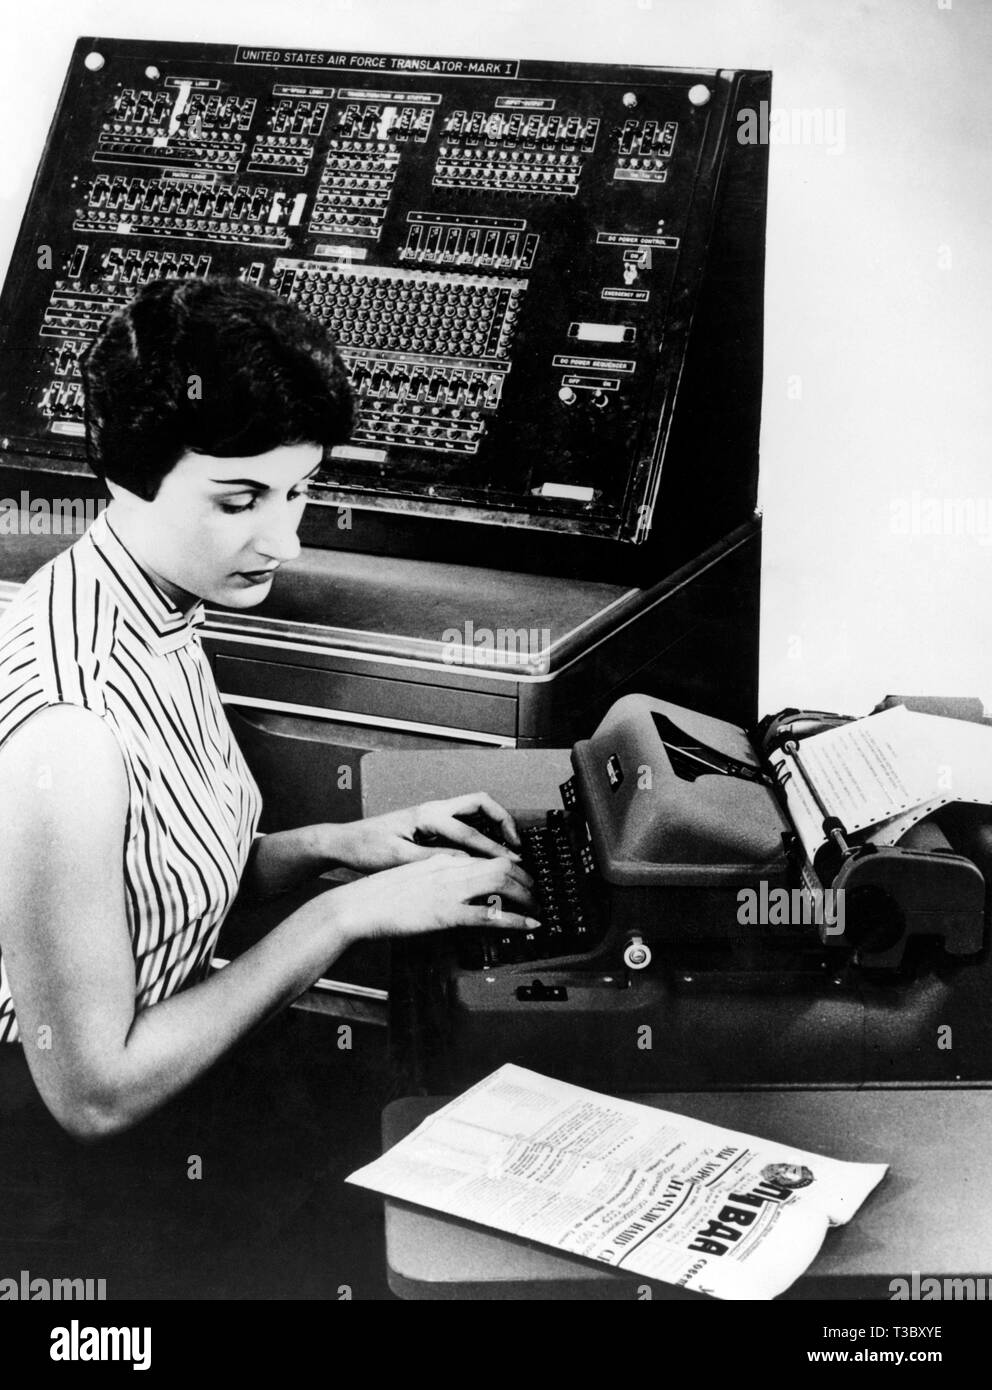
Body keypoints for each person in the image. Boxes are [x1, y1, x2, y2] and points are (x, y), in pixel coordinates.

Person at [0, 275, 538, 1147]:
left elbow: (152, 889)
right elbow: (92, 1097)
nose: (285, 540)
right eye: (239, 500)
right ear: (126, 476)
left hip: (175, 1070)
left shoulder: (144, 602)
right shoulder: (71, 727)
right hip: (56, 1151)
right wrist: (342, 913)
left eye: (299, 491)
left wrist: (337, 847)